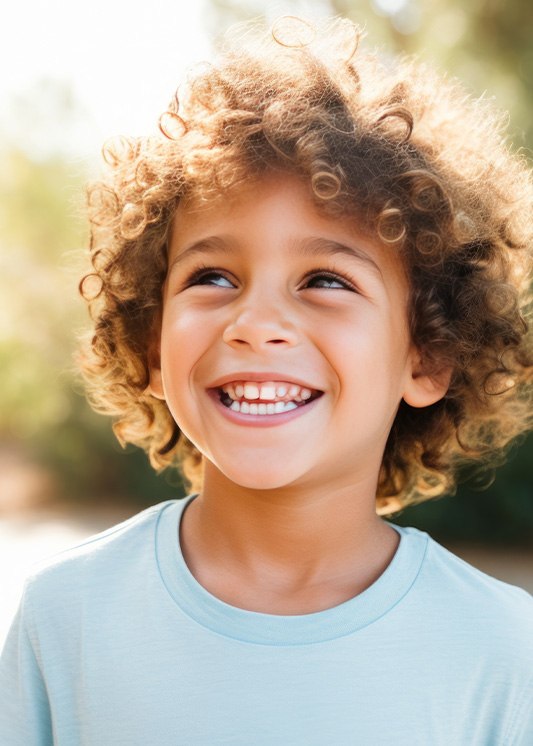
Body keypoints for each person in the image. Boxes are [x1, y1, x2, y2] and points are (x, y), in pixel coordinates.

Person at [1, 16, 532, 745]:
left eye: (324, 279)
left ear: (426, 356)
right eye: (212, 276)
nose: (255, 323)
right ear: (153, 343)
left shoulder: (501, 652)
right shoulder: (64, 615)